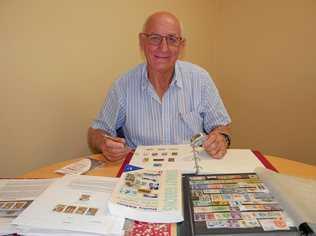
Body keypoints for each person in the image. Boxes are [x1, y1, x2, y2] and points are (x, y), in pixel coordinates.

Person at [88, 11, 231, 162]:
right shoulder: (123, 86)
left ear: (181, 45)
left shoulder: (200, 80)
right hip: (141, 172)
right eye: (155, 38)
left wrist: (221, 138)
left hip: (190, 167)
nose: (163, 48)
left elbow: (222, 126)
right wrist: (104, 143)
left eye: (172, 39)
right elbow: (96, 131)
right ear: (142, 42)